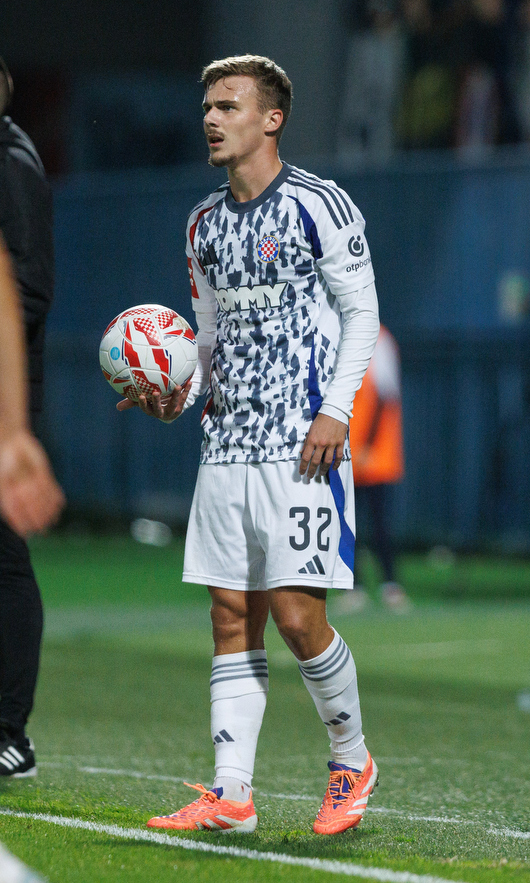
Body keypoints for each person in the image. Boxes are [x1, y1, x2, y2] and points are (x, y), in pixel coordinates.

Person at [125, 55, 381, 835]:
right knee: (230, 616)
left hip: (302, 447)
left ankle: (352, 759)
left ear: (270, 119)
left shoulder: (319, 205)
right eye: (207, 105)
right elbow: (207, 340)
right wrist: (180, 393)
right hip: (227, 448)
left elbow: (362, 314)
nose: (211, 117)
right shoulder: (203, 224)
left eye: (228, 105)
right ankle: (231, 792)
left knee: (301, 620)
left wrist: (335, 412)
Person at [0, 59, 58, 780]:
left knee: (3, 559)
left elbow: (28, 290)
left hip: (5, 401)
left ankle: (10, 730)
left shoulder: (11, 161)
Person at [344, 324, 408, 613]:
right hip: (345, 448)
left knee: (380, 521)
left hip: (374, 452)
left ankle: (391, 585)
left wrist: (369, 444)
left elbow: (386, 394)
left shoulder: (378, 338)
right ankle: (353, 586)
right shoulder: (338, 333)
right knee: (346, 523)